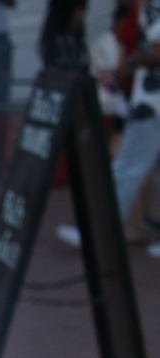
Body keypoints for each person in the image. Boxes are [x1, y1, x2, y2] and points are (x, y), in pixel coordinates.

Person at [57, 0, 160, 258]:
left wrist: (127, 66)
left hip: (153, 102)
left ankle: (98, 233)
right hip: (149, 100)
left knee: (125, 168)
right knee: (127, 167)